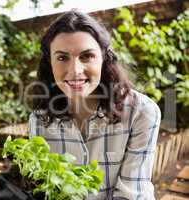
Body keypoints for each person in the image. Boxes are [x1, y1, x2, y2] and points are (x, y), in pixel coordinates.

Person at [28, 10, 161, 200]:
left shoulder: (142, 113)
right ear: (49, 63)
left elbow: (130, 194)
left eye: (87, 56)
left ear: (104, 58)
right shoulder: (39, 120)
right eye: (62, 57)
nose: (75, 71)